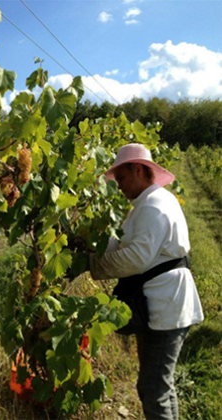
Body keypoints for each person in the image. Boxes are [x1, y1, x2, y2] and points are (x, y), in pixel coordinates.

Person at [87, 143, 204, 420]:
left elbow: (138, 257)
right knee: (161, 386)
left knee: (153, 388)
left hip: (166, 307)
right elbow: (124, 245)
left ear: (138, 169)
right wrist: (92, 243)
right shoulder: (145, 205)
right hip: (159, 305)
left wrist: (91, 264)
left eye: (122, 178)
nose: (119, 186)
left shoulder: (154, 204)